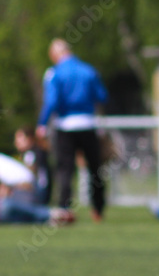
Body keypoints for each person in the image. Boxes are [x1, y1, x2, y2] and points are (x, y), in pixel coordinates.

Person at [36, 38, 108, 221]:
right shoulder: (88, 70)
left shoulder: (55, 73)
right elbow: (102, 96)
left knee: (65, 169)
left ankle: (65, 208)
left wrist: (42, 123)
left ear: (54, 55)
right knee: (94, 168)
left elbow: (51, 101)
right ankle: (98, 210)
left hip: (65, 125)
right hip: (88, 123)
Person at [0, 153, 73, 225]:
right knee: (8, 208)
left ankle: (50, 216)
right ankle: (50, 216)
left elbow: (25, 183)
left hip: (28, 190)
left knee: (8, 207)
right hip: (23, 193)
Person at [14, 126, 51, 205]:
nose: (16, 142)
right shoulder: (38, 151)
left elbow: (29, 177)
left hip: (38, 192)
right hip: (44, 190)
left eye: (20, 139)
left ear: (29, 139)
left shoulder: (30, 154)